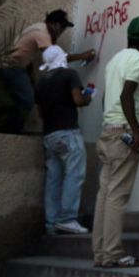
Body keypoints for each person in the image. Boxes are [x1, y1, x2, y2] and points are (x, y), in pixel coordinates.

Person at [92, 16, 139, 268]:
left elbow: (108, 97)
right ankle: (113, 253)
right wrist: (137, 133)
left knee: (104, 195)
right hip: (124, 134)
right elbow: (126, 95)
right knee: (117, 196)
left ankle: (101, 253)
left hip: (108, 132)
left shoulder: (114, 61)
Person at [0, 9, 96, 133]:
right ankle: (11, 132)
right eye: (62, 28)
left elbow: (24, 51)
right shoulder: (43, 33)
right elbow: (55, 56)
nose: (61, 32)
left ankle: (9, 129)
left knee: (18, 101)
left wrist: (30, 75)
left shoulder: (37, 28)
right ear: (54, 24)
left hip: (10, 67)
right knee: (27, 100)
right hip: (12, 68)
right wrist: (83, 55)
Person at [35, 45, 93, 235]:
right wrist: (87, 98)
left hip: (49, 135)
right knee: (74, 174)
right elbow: (77, 100)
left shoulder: (41, 82)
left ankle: (51, 223)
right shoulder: (70, 74)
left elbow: (40, 113)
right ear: (62, 57)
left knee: (54, 179)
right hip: (68, 132)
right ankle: (67, 218)